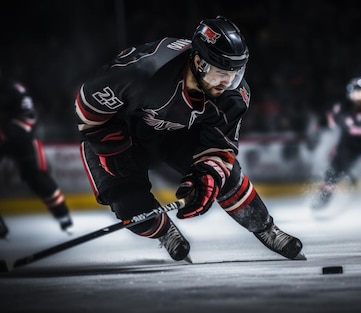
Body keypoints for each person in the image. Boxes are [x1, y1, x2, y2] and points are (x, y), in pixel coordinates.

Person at [74, 16, 304, 262]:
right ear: (197, 61)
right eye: (220, 73)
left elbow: (219, 147)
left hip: (175, 134)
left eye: (235, 73)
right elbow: (88, 105)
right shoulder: (145, 72)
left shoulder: (233, 96)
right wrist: (112, 147)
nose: (227, 83)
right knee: (128, 205)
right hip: (123, 134)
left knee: (226, 178)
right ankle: (165, 232)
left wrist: (206, 177)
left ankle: (266, 228)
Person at [0, 73, 73, 236]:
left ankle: (62, 214)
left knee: (36, 175)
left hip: (23, 137)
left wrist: (10, 132)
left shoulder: (13, 89)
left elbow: (28, 115)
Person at [311, 76, 361, 210]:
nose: (360, 98)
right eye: (356, 94)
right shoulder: (341, 108)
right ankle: (323, 199)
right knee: (333, 172)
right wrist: (320, 125)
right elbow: (327, 120)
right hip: (349, 143)